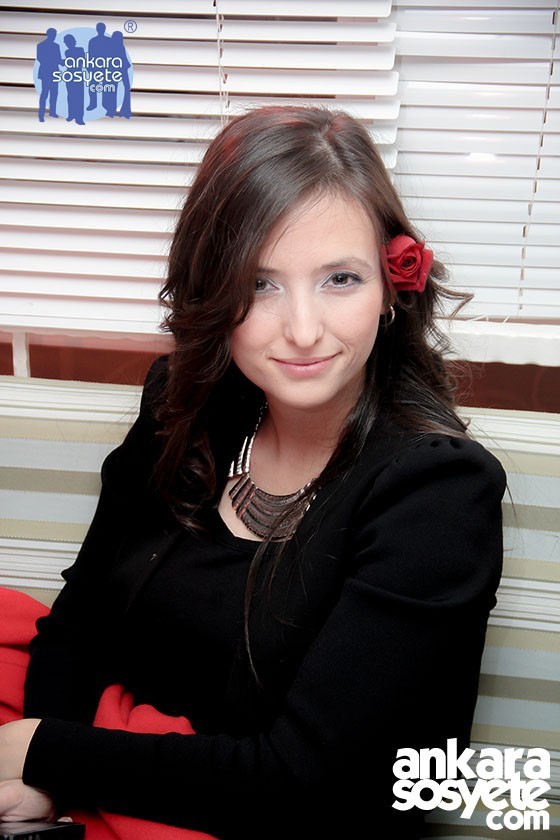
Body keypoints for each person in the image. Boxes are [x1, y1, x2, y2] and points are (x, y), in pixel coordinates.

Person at [0, 106, 506, 839]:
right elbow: (84, 617)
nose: (302, 330)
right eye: (261, 284)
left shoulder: (438, 493)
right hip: (122, 782)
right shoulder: (183, 408)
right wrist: (41, 778)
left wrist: (46, 753)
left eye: (340, 278)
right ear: (212, 290)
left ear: (392, 286)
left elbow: (311, 784)